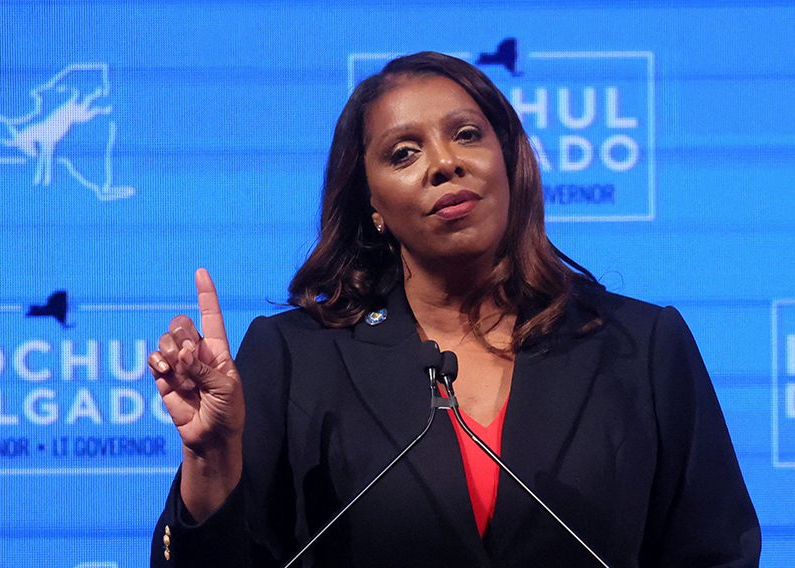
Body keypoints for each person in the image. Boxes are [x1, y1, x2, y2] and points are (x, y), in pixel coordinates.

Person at [147, 52, 760, 567]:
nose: (444, 163)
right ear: (372, 208)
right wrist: (210, 460)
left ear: (510, 161)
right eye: (403, 153)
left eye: (467, 134)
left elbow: (717, 553)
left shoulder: (642, 345)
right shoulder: (296, 356)